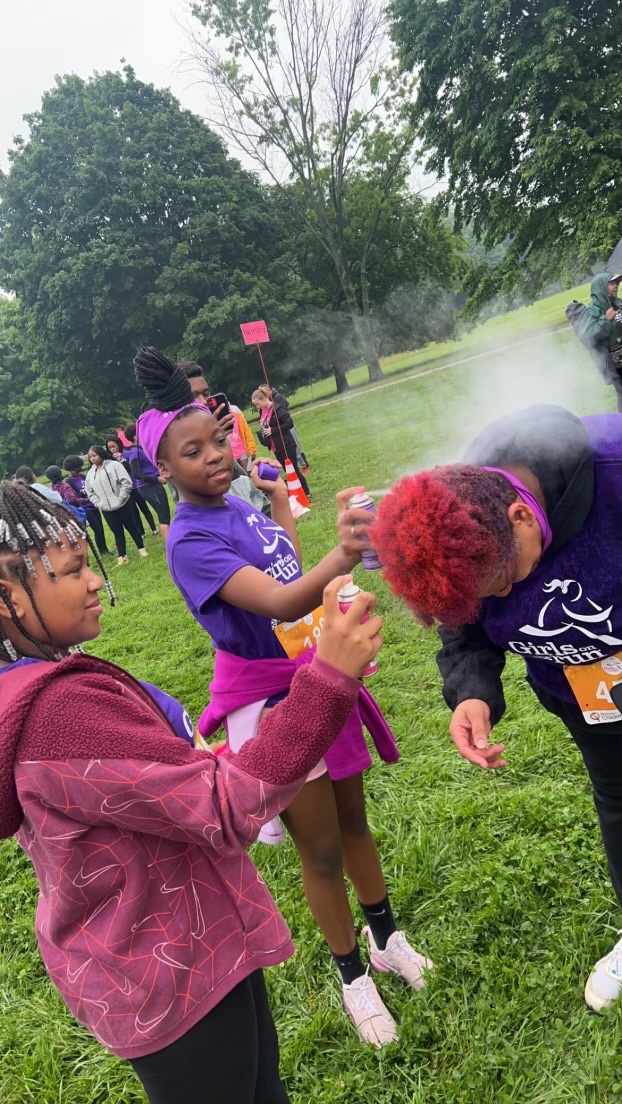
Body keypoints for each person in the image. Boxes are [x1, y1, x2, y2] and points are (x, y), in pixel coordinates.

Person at [0, 480, 380, 1104]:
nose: (95, 581)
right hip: (170, 974)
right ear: (9, 596)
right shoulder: (59, 711)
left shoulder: (34, 688)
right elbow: (224, 805)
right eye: (72, 571)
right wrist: (327, 677)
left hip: (182, 951)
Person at [133, 346, 432, 1049]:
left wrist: (275, 505)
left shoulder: (238, 508)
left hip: (317, 675)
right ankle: (352, 976)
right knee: (321, 847)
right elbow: (277, 598)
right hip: (272, 705)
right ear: (164, 469)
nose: (215, 455)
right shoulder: (189, 540)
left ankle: (386, 937)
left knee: (355, 820)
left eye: (217, 439)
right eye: (193, 450)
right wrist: (348, 551)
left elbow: (287, 565)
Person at [372, 402, 622, 1015]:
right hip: (586, 692)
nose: (508, 597)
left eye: (505, 579)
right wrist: (474, 691)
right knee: (618, 796)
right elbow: (465, 630)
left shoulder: (612, 466)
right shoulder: (457, 534)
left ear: (519, 514)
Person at [179, 361, 269, 514]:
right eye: (193, 396)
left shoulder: (215, 431)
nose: (203, 401)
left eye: (206, 394)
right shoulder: (176, 448)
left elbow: (258, 501)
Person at [85, 446, 147, 565]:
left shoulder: (114, 465)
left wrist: (121, 498)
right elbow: (90, 492)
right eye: (90, 457)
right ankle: (122, 557)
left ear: (101, 454)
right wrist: (99, 503)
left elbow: (126, 482)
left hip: (123, 504)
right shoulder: (90, 474)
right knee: (117, 532)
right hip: (106, 509)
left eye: (94, 456)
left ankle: (142, 549)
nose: (92, 459)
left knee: (132, 527)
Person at [574, 273, 622, 410]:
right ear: (601, 287)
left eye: (616, 283)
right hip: (613, 363)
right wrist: (605, 320)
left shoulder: (618, 303)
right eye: (611, 283)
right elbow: (587, 337)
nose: (616, 286)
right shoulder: (591, 311)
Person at [251, 389, 311, 499]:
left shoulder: (277, 409)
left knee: (293, 469)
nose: (257, 407)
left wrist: (273, 430)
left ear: (263, 399)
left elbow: (289, 423)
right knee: (287, 471)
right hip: (276, 447)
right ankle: (296, 492)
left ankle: (306, 492)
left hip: (286, 444)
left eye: (258, 404)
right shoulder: (263, 411)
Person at [124, 423, 171, 539]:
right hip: (148, 487)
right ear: (135, 436)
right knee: (163, 515)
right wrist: (156, 479)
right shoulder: (135, 452)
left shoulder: (141, 449)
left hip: (154, 485)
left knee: (165, 513)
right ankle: (169, 542)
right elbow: (136, 473)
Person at [106, 433, 158, 538]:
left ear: (118, 445)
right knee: (134, 512)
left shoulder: (128, 454)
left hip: (136, 485)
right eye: (109, 447)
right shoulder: (110, 461)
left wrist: (122, 460)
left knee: (144, 508)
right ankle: (141, 532)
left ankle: (153, 528)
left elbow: (132, 470)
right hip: (126, 490)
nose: (112, 449)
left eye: (113, 446)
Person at [63, 455, 111, 556]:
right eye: (76, 470)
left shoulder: (82, 477)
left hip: (93, 504)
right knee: (97, 529)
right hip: (84, 508)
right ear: (71, 470)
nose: (79, 471)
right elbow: (73, 497)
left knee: (101, 528)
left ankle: (105, 549)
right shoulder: (69, 482)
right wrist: (84, 496)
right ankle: (102, 552)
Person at [257, 384, 310, 473]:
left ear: (268, 391)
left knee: (295, 446)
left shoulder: (277, 397)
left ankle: (304, 464)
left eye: (264, 391)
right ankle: (294, 469)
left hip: (285, 427)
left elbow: (284, 410)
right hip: (276, 433)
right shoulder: (264, 405)